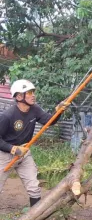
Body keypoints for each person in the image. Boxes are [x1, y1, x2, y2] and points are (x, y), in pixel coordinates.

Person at [0, 79, 66, 208]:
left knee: (34, 188)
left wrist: (59, 111)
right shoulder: (7, 116)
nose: (33, 95)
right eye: (29, 92)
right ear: (19, 96)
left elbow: (49, 121)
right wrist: (13, 149)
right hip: (5, 155)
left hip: (25, 154)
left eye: (33, 92)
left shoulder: (34, 109)